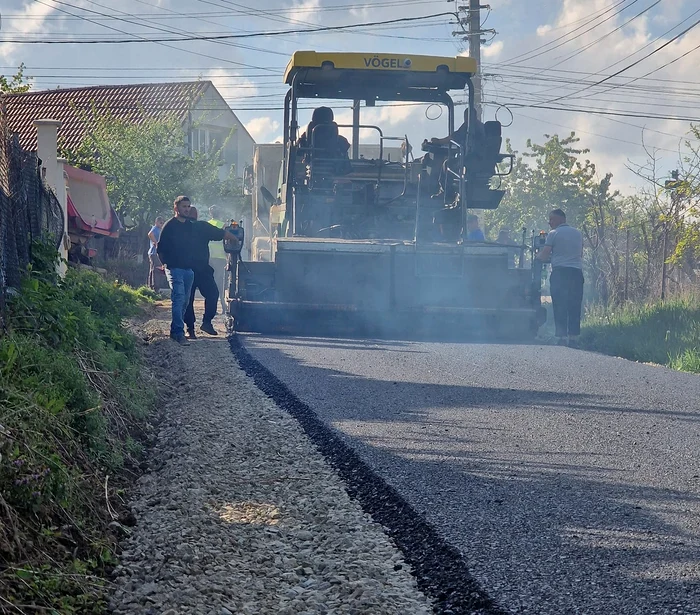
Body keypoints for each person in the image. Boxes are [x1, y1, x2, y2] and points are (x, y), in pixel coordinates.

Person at [183, 206, 236, 338]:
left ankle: (191, 328)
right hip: (200, 268)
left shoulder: (179, 226)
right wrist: (235, 238)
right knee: (212, 294)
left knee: (188, 299)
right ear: (197, 215)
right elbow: (223, 234)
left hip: (189, 267)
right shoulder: (202, 226)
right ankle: (204, 323)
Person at [537, 208, 584, 347]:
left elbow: (545, 254)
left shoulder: (553, 233)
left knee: (560, 304)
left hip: (560, 273)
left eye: (551, 219)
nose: (549, 222)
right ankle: (574, 338)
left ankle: (562, 337)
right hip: (576, 272)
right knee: (574, 305)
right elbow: (580, 254)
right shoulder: (578, 233)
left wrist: (537, 258)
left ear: (560, 219)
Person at [157, 196, 196, 346]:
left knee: (185, 301)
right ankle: (179, 333)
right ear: (176, 208)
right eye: (184, 206)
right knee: (178, 298)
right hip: (174, 269)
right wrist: (165, 264)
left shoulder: (190, 226)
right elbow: (160, 249)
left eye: (188, 206)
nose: (186, 209)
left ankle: (174, 331)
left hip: (188, 270)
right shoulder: (169, 226)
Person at [147, 216, 164, 289]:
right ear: (156, 222)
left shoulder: (160, 230)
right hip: (154, 252)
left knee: (153, 269)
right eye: (160, 222)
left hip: (155, 253)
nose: (162, 224)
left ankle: (151, 286)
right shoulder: (155, 228)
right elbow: (150, 234)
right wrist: (156, 242)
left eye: (162, 223)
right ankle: (155, 287)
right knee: (156, 269)